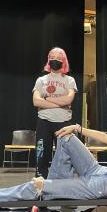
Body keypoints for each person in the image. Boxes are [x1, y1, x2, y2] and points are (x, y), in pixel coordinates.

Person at [32, 47, 77, 178]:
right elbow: (36, 102)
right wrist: (60, 102)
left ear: (64, 61)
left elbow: (69, 99)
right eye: (52, 57)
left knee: (64, 156)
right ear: (48, 60)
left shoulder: (70, 80)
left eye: (58, 58)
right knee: (42, 155)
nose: (55, 60)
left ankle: (62, 184)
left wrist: (47, 99)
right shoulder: (41, 80)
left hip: (63, 122)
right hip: (44, 121)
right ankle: (40, 183)